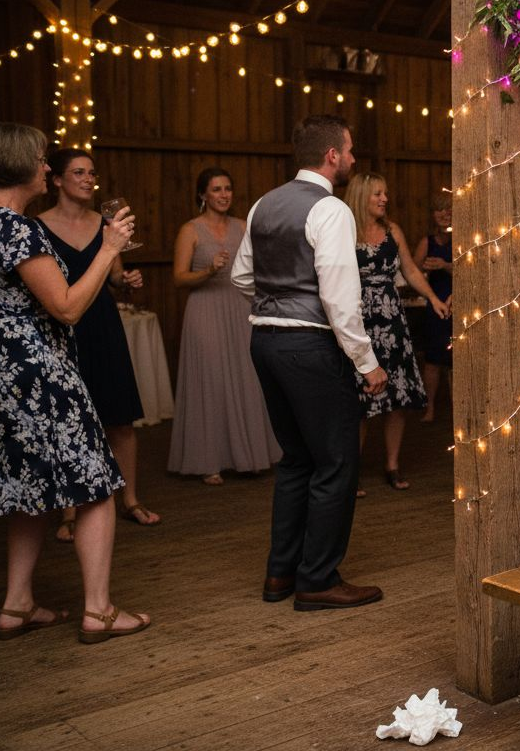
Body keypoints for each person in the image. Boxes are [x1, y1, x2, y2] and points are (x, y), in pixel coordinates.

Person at [0, 122, 149, 642]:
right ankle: (99, 611)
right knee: (96, 483)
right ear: (18, 165)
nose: (44, 167)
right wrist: (109, 248)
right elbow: (67, 308)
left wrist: (1, 314)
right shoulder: (19, 228)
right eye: (39, 159)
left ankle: (17, 606)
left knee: (25, 483)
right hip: (36, 369)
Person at [231, 115, 389, 611]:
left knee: (296, 460)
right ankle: (317, 579)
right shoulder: (331, 210)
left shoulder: (263, 204)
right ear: (331, 157)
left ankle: (281, 575)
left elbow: (242, 277)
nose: (353, 159)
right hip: (311, 349)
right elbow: (340, 298)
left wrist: (278, 300)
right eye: (350, 150)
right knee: (336, 462)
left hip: (266, 344)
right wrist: (367, 362)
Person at [35, 149, 158, 543]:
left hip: (103, 324)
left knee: (119, 416)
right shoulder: (36, 227)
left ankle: (131, 499)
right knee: (67, 421)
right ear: (56, 179)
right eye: (78, 172)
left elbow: (113, 275)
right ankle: (69, 510)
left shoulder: (106, 223)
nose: (88, 179)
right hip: (61, 328)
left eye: (91, 172)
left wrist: (127, 281)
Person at [169, 167, 283, 487]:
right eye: (216, 189)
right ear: (202, 195)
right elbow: (178, 278)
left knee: (248, 378)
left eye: (228, 189)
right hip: (205, 309)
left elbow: (261, 268)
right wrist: (207, 269)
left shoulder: (244, 226)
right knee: (211, 380)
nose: (223, 195)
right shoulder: (190, 231)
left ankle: (248, 458)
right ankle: (210, 461)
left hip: (240, 307)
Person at [345, 173, 449, 492]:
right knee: (359, 401)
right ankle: (352, 471)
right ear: (362, 196)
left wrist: (433, 299)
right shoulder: (346, 232)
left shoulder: (393, 231)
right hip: (358, 322)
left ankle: (392, 465)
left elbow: (411, 269)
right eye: (377, 194)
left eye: (385, 193)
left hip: (392, 323)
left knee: (397, 398)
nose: (384, 199)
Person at [413, 192, 454, 423]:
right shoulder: (426, 242)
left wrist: (445, 265)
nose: (444, 214)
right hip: (435, 304)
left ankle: (457, 410)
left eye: (448, 209)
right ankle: (429, 408)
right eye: (439, 209)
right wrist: (426, 268)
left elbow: (471, 271)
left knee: (457, 360)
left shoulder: (463, 239)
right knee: (433, 360)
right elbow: (412, 271)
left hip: (459, 303)